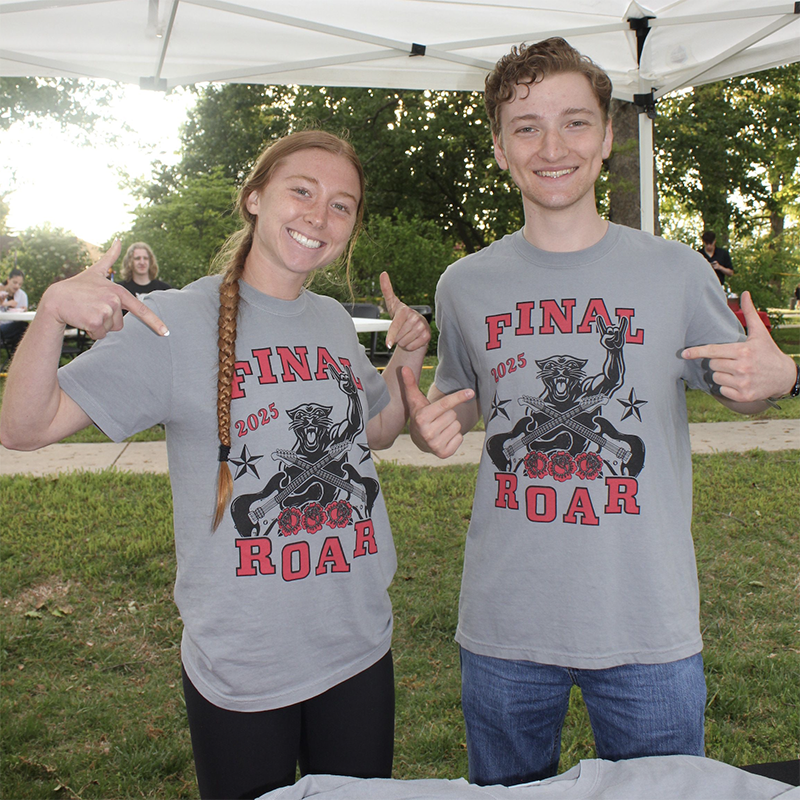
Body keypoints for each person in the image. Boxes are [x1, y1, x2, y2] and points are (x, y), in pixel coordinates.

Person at [400, 37, 799, 787]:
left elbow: (745, 388)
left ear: (608, 135)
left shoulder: (676, 271)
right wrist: (429, 432)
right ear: (500, 148)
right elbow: (458, 410)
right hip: (505, 624)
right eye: (526, 127)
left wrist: (785, 378)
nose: (553, 147)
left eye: (575, 122)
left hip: (647, 622)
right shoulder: (464, 284)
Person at [0, 131, 431, 800]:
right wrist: (53, 312)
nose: (320, 216)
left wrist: (407, 355)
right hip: (243, 662)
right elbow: (24, 428)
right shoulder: (174, 322)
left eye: (341, 205)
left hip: (358, 642)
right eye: (302, 191)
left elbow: (378, 432)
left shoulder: (331, 321)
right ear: (254, 198)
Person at [0, 268, 30, 352]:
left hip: (13, 328)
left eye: (20, 284)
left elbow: (22, 315)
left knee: (24, 328)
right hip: (2, 327)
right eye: (15, 282)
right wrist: (5, 304)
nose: (17, 286)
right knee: (22, 327)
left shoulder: (22, 295)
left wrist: (23, 310)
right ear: (8, 280)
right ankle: (15, 356)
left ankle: (14, 355)